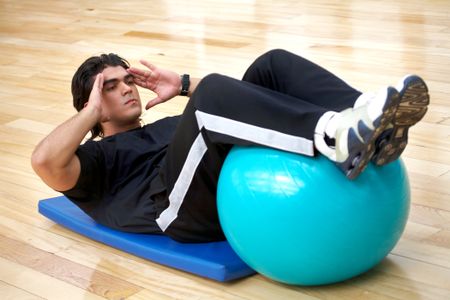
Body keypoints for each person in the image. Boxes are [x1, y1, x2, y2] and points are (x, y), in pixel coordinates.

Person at [31, 49, 430, 242]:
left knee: (269, 65)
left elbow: (232, 97)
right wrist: (89, 112)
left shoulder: (168, 125)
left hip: (207, 181)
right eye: (110, 87)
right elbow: (44, 161)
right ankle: (335, 136)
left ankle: (369, 121)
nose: (126, 90)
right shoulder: (94, 161)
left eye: (127, 80)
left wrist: (184, 85)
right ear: (93, 104)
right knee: (214, 97)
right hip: (173, 211)